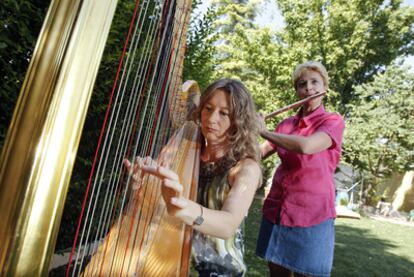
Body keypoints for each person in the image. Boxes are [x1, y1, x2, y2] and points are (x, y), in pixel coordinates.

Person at [125, 78, 262, 276]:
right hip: (173, 250)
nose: (212, 119)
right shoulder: (185, 150)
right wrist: (138, 183)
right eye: (208, 108)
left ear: (238, 121)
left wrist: (182, 207)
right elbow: (151, 205)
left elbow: (227, 225)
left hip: (217, 267)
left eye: (224, 113)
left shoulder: (245, 168)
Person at [255, 61, 345, 277]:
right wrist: (244, 131)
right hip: (277, 210)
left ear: (325, 87)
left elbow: (307, 146)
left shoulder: (332, 121)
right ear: (297, 90)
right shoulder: (286, 125)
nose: (308, 88)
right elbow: (259, 153)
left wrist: (264, 132)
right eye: (302, 84)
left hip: (312, 214)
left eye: (315, 82)